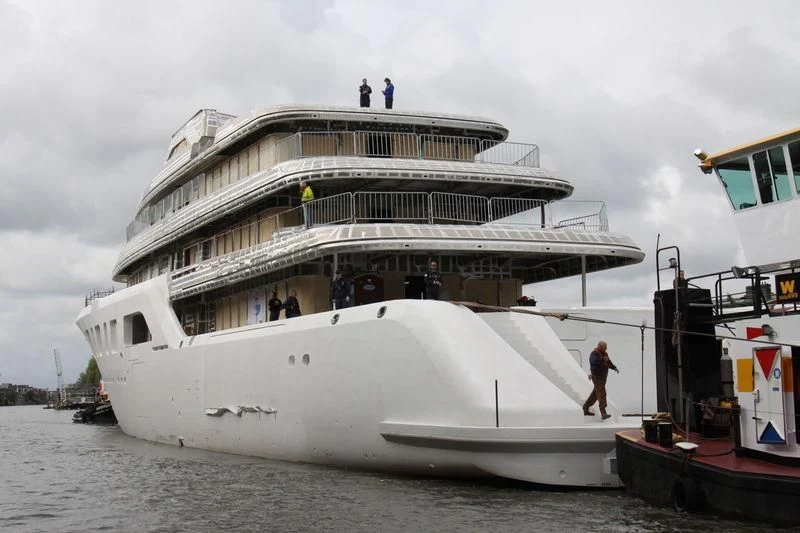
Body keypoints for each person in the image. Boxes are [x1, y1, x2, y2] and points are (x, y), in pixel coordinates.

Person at [582, 341, 618, 420]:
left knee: (595, 394)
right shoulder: (594, 354)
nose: (606, 348)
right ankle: (603, 413)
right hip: (597, 377)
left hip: (603, 378)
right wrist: (602, 359)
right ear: (600, 347)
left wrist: (613, 367)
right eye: (605, 347)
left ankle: (585, 408)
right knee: (602, 393)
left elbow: (608, 362)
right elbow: (594, 361)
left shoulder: (605, 354)